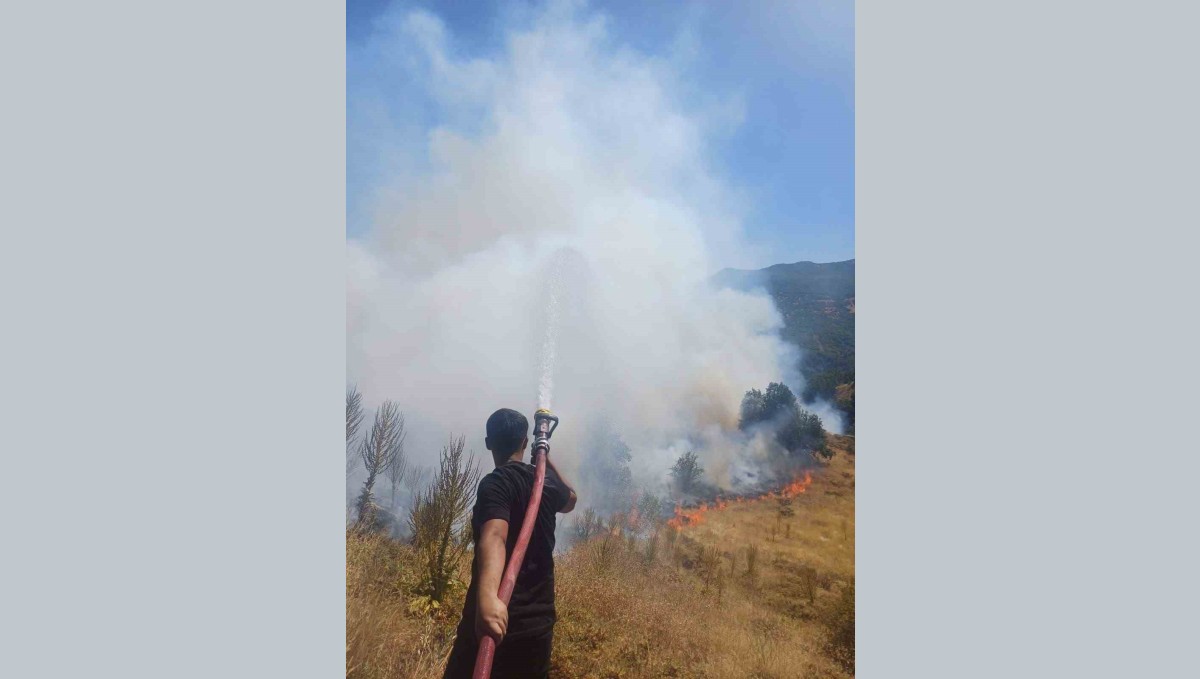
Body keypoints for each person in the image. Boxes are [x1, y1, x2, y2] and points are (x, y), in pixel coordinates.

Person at [442, 408, 578, 679]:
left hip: (494, 625)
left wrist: (488, 600)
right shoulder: (546, 486)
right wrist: (545, 459)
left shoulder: (496, 484)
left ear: (488, 443)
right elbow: (571, 498)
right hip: (537, 627)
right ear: (524, 443)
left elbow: (495, 536)